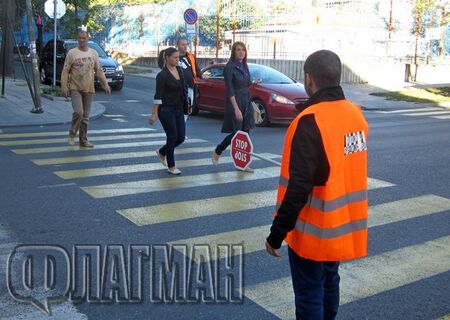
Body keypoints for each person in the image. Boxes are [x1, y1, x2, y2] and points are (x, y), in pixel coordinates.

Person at [265, 50, 369, 320]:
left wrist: (276, 235)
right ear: (338, 76)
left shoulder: (309, 122)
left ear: (308, 80)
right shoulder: (355, 115)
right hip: (341, 225)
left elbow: (299, 187)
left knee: (310, 293)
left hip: (312, 231)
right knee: (329, 281)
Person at [61, 30, 111, 147]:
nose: (81, 40)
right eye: (79, 38)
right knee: (79, 112)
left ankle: (83, 140)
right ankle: (72, 134)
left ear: (87, 39)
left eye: (84, 38)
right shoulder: (72, 53)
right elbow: (65, 71)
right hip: (75, 88)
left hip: (89, 88)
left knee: (85, 117)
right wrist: (64, 86)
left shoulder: (93, 53)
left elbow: (98, 71)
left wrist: (105, 84)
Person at [212, 41, 255, 172]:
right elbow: (230, 90)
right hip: (235, 101)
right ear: (233, 52)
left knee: (245, 132)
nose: (241, 52)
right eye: (238, 50)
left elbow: (246, 84)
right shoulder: (229, 67)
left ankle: (242, 163)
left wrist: (252, 83)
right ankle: (218, 151)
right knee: (237, 133)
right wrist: (236, 109)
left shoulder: (244, 66)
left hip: (246, 100)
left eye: (243, 49)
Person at [148, 47, 189, 175]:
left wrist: (188, 105)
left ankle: (162, 152)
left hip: (178, 108)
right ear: (167, 58)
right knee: (172, 136)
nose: (178, 60)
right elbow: (158, 96)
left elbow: (183, 89)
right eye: (175, 57)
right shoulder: (162, 76)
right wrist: (154, 113)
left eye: (178, 57)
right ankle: (171, 166)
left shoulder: (180, 71)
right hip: (165, 110)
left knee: (181, 137)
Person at [176, 38, 201, 119]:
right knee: (178, 109)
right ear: (177, 45)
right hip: (178, 88)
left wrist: (201, 79)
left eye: (186, 44)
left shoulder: (191, 56)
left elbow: (197, 70)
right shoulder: (174, 56)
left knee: (187, 109)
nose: (185, 46)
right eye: (182, 44)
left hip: (190, 87)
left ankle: (182, 126)